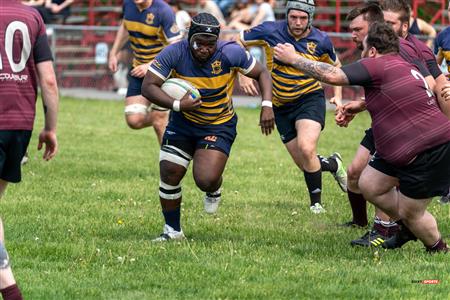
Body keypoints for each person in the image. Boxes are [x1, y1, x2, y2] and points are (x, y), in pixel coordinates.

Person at [274, 22, 450, 253]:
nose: (362, 54)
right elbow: (399, 93)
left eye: (364, 49)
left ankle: (437, 247)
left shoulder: (377, 64)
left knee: (411, 213)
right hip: (407, 148)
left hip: (429, 150)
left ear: (373, 51)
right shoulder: (401, 64)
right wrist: (361, 106)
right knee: (369, 184)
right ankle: (407, 227)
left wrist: (293, 58)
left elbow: (333, 75)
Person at [141, 13, 275, 241]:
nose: (204, 48)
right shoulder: (174, 52)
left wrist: (267, 105)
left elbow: (262, 72)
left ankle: (214, 187)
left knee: (205, 179)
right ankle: (173, 231)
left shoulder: (230, 52)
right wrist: (178, 105)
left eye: (209, 44)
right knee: (170, 172)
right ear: (189, 37)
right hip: (183, 122)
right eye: (198, 43)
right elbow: (149, 86)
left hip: (218, 124)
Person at [341, 1, 440, 248]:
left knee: (379, 177)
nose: (384, 28)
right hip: (384, 122)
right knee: (356, 173)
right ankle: (390, 225)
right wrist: (362, 104)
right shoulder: (379, 50)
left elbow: (432, 85)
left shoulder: (412, 50)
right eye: (381, 23)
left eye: (390, 24)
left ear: (405, 26)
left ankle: (386, 228)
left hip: (408, 126)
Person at [239, 0, 347, 214]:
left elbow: (337, 67)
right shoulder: (270, 30)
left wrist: (337, 97)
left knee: (307, 148)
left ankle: (316, 204)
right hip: (280, 105)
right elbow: (237, 41)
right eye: (293, 17)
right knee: (305, 162)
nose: (298, 22)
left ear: (311, 18)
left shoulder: (321, 39)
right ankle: (333, 164)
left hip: (309, 97)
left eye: (303, 18)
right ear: (286, 15)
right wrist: (243, 73)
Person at [0, 1, 59, 299]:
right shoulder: (32, 16)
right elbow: (48, 80)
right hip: (20, 124)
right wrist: (50, 128)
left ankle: (9, 289)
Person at [108, 0, 182, 145]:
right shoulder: (128, 4)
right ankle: (166, 117)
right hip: (139, 70)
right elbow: (125, 26)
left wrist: (150, 65)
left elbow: (176, 46)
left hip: (163, 72)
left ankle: (169, 164)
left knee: (160, 122)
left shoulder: (163, 11)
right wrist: (113, 52)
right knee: (133, 120)